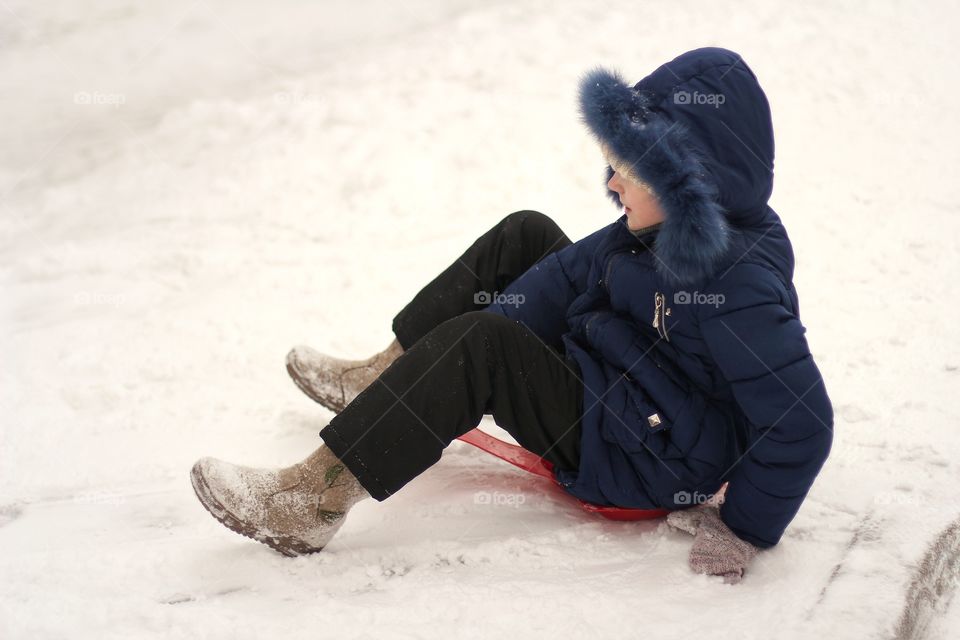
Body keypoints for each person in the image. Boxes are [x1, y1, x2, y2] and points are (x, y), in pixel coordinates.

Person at [190, 47, 833, 584]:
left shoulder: (736, 285)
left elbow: (802, 422)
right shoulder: (657, 226)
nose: (611, 182)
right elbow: (565, 275)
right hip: (619, 383)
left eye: (629, 171)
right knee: (527, 235)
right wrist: (445, 367)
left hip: (646, 453)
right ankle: (387, 380)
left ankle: (314, 499)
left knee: (485, 345)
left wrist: (746, 526)